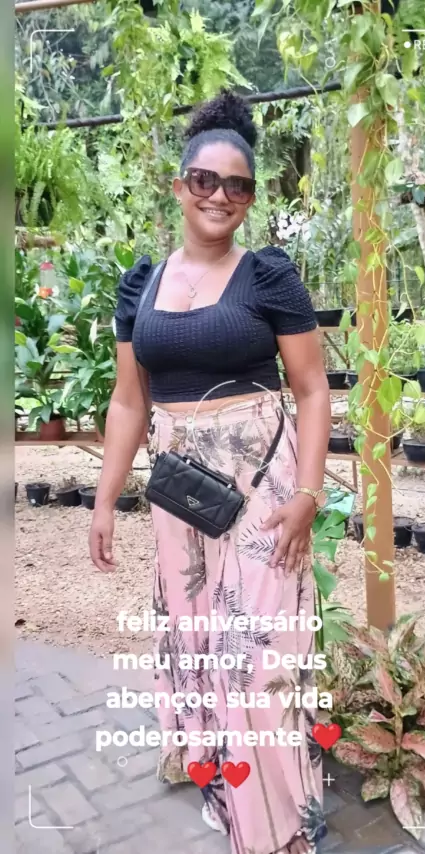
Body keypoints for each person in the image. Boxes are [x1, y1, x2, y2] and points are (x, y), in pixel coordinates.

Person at [89, 89, 331, 854]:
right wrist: (104, 501)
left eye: (238, 186)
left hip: (263, 489)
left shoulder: (268, 277)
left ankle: (282, 822)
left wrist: (309, 493)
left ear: (251, 198)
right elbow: (129, 401)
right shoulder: (142, 286)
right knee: (196, 641)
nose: (219, 196)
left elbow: (312, 389)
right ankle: (229, 789)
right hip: (179, 494)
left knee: (258, 657)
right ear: (179, 185)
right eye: (205, 180)